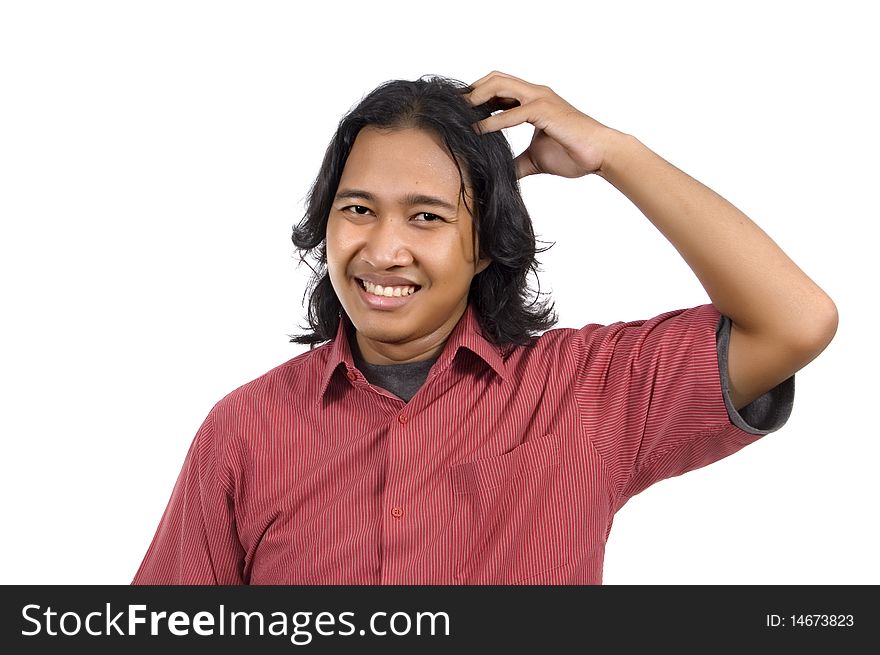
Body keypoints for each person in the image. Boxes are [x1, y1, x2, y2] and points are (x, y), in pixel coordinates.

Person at [132, 71, 837, 585]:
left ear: (484, 242)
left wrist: (615, 153)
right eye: (357, 210)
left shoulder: (588, 391)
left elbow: (796, 320)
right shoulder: (245, 429)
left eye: (427, 216)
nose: (383, 249)